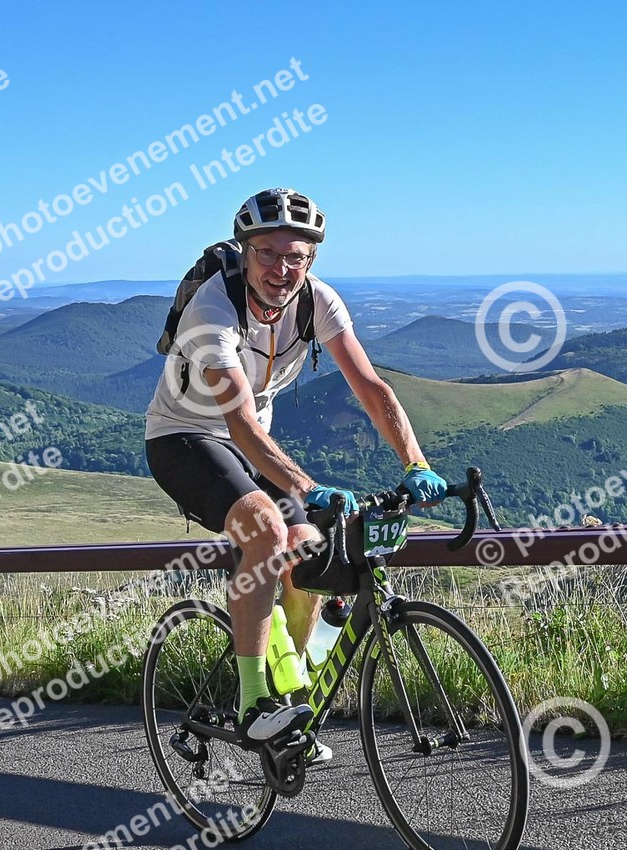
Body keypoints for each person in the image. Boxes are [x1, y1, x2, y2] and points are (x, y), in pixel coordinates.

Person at [144, 189, 447, 757]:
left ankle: (292, 693)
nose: (282, 269)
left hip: (252, 445)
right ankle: (254, 700)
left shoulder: (317, 301)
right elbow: (240, 424)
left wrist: (416, 463)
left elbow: (371, 387)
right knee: (265, 528)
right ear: (245, 252)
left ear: (312, 259)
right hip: (184, 439)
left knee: (307, 548)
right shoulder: (212, 311)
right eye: (267, 253)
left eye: (296, 257)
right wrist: (307, 487)